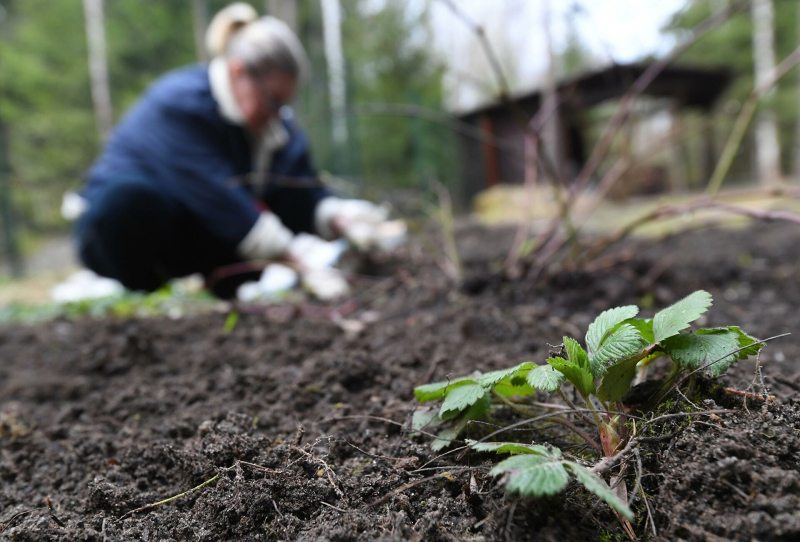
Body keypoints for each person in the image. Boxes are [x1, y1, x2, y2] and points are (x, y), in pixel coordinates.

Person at [67, 3, 389, 297]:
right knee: (131, 200)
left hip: (195, 236)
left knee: (260, 213)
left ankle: (221, 288)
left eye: (285, 103)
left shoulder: (272, 129)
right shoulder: (180, 107)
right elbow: (222, 202)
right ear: (238, 73)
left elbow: (300, 191)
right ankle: (131, 287)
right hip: (114, 236)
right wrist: (302, 261)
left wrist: (341, 219)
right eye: (273, 100)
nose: (278, 113)